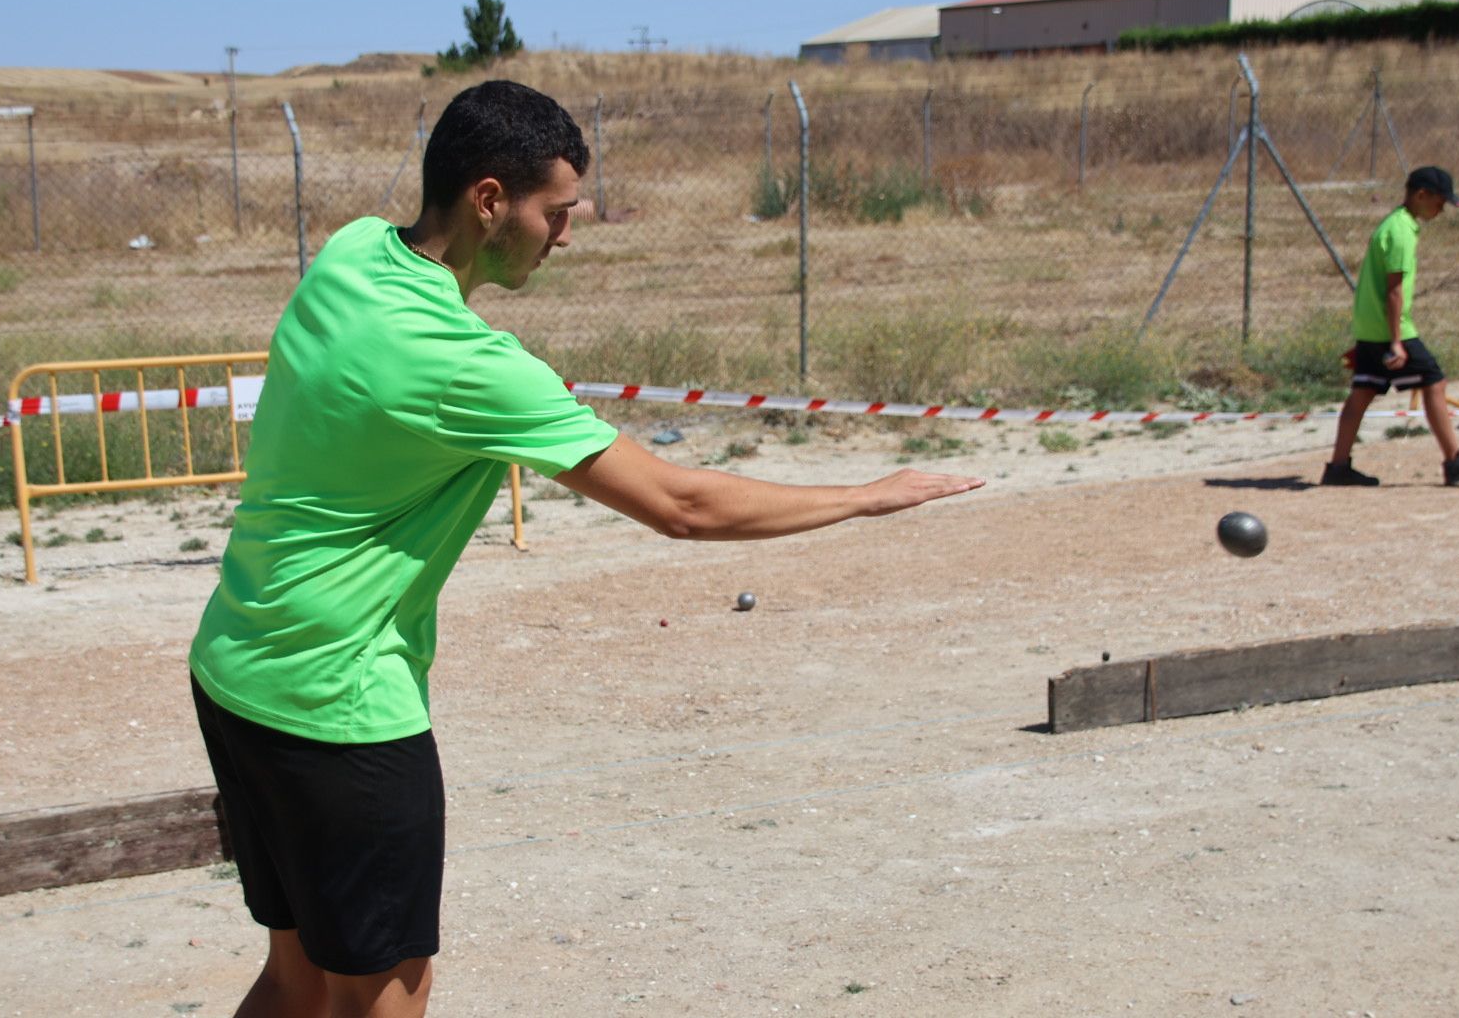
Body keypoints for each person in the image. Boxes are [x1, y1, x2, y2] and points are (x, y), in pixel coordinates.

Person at [187, 80, 983, 1018]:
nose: (565, 235)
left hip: (237, 670)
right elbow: (681, 504)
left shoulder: (353, 252)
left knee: (297, 975)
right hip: (340, 706)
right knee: (387, 989)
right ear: (490, 200)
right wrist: (863, 496)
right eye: (555, 212)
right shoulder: (464, 363)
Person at [1322, 165, 1459, 488]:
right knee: (1435, 382)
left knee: (1362, 393)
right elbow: (1394, 291)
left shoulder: (1393, 225)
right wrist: (1395, 342)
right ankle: (1455, 460)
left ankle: (1337, 467)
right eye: (1439, 201)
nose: (1441, 209)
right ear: (1421, 195)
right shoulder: (1402, 231)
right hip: (1392, 330)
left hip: (1370, 327)